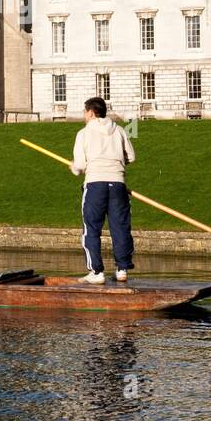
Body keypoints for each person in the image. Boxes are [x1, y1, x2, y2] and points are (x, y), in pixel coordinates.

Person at [69, 96, 136, 284]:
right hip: (118, 185)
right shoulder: (120, 130)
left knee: (91, 228)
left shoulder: (83, 133)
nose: (84, 115)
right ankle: (122, 269)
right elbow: (131, 157)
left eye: (84, 112)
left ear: (91, 112)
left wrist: (74, 167)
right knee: (121, 227)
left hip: (95, 184)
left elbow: (80, 165)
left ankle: (96, 272)